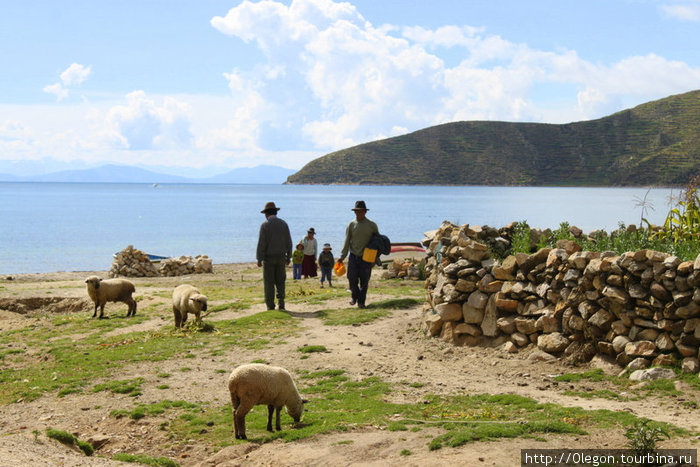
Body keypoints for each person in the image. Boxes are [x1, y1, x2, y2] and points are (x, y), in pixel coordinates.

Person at [338, 200, 379, 308]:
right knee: (351, 278)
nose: (358, 213)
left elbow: (377, 242)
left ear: (365, 212)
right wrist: (342, 256)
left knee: (364, 281)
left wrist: (376, 258)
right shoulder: (351, 225)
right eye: (356, 211)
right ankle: (354, 296)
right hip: (353, 256)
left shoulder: (371, 225)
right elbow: (347, 241)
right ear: (354, 212)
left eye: (361, 211)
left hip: (367, 257)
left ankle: (361, 302)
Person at [256, 201, 292, 311]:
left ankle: (270, 305)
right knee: (281, 281)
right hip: (281, 256)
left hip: (269, 258)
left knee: (269, 283)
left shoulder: (265, 225)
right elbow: (288, 242)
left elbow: (262, 243)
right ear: (276, 212)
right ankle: (281, 303)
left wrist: (259, 258)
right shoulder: (283, 224)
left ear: (266, 214)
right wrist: (288, 256)